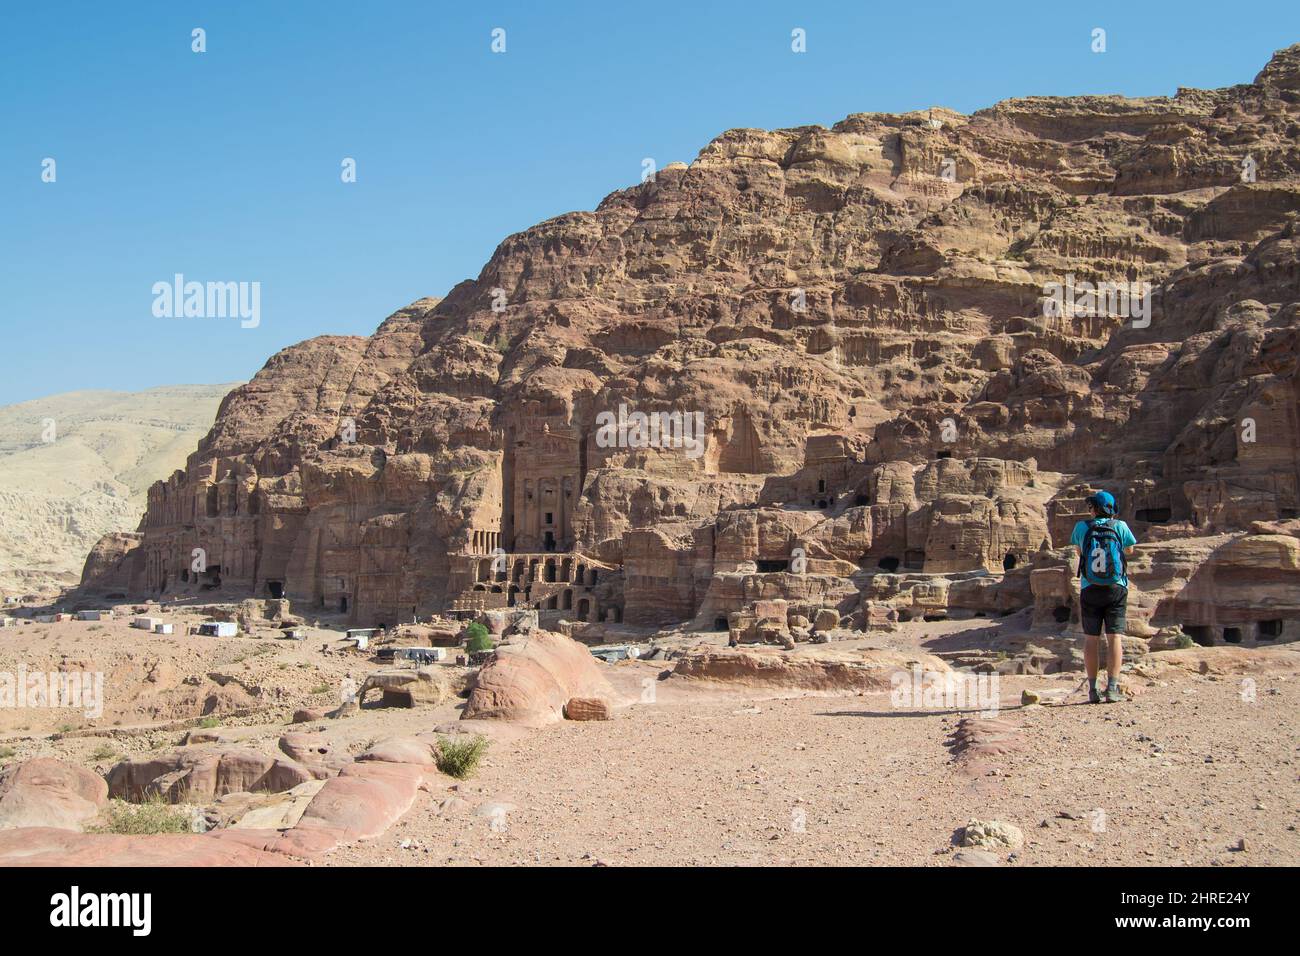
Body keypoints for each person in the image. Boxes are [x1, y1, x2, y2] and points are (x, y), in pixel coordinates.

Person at [1070, 491, 1137, 704]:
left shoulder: (1081, 527)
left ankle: (1092, 690)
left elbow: (1079, 553)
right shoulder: (1120, 526)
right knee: (1114, 637)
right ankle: (1112, 688)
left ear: (1093, 508)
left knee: (1091, 638)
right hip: (1116, 587)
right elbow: (1130, 549)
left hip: (1090, 587)